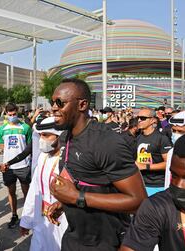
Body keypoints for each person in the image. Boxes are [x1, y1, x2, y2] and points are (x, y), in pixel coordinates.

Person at [47, 78, 147, 251]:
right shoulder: (65, 137)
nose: (54, 107)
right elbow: (86, 183)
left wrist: (77, 198)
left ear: (82, 105)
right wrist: (64, 203)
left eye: (60, 102)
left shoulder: (105, 142)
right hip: (74, 238)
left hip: (107, 242)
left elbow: (139, 202)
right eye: (52, 102)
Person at [20, 117, 68, 251]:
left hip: (62, 222)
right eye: (40, 135)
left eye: (46, 135)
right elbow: (34, 190)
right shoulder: (42, 156)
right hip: (40, 221)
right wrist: (26, 220)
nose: (42, 139)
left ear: (59, 136)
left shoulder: (67, 161)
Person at [0, 103, 32, 228]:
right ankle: (14, 215)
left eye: (14, 114)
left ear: (18, 112)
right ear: (6, 114)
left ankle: (28, 216)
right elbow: (2, 148)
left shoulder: (26, 128)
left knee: (26, 192)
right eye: (10, 114)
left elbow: (28, 148)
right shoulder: (2, 129)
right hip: (8, 167)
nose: (12, 116)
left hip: (23, 166)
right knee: (11, 192)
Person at [135, 107, 172, 196]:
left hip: (158, 185)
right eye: (138, 118)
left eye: (143, 118)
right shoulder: (138, 137)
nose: (139, 120)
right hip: (141, 183)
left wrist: (145, 166)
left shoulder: (162, 138)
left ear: (152, 120)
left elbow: (168, 163)